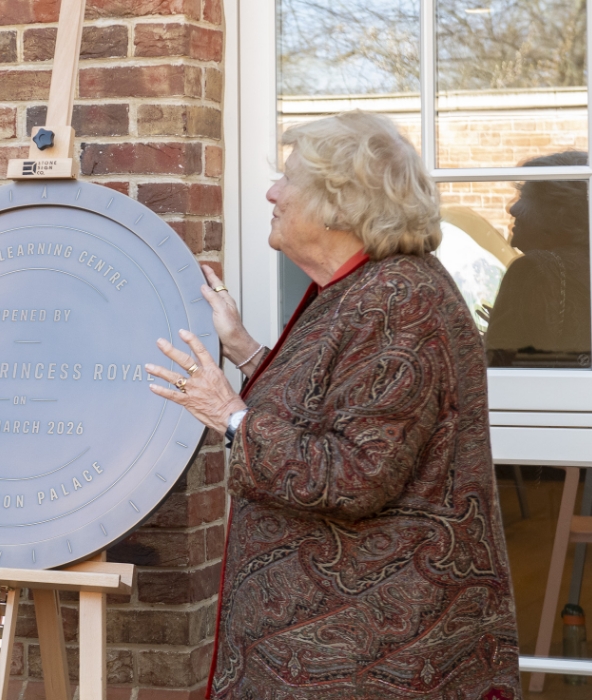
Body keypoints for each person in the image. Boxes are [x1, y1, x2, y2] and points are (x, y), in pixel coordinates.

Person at [147, 111, 521, 699]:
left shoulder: (397, 300)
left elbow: (356, 475)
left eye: (288, 179)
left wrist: (228, 415)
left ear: (340, 204)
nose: (272, 192)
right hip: (340, 649)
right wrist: (243, 348)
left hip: (368, 658)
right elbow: (333, 404)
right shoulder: (363, 289)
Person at [484, 151, 590, 367]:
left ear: (558, 212)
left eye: (524, 197)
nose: (511, 208)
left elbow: (496, 369)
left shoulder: (534, 269)